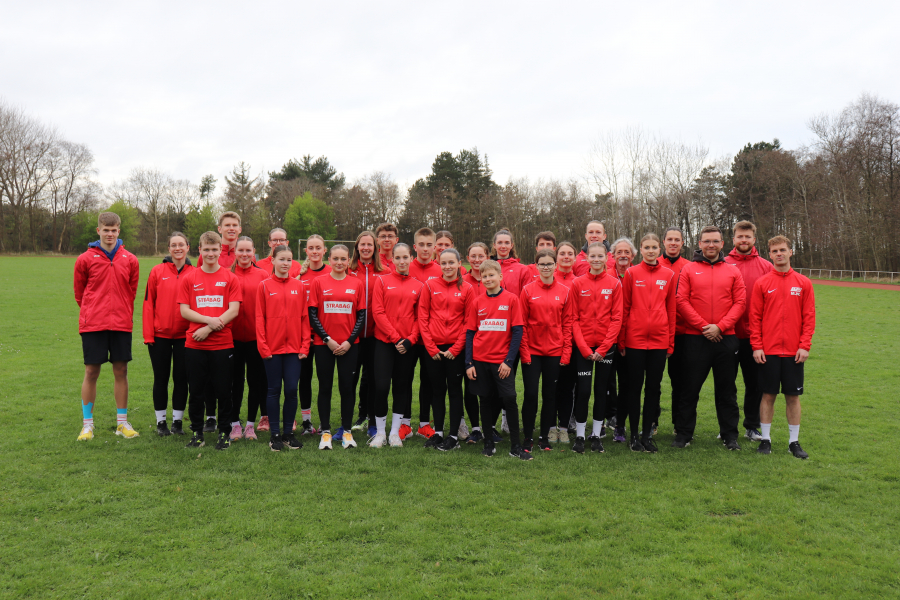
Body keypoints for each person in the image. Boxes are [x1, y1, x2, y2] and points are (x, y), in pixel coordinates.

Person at [674, 225, 746, 450]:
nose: (711, 245)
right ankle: (684, 434)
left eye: (715, 241)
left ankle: (729, 436)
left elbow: (740, 302)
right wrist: (704, 326)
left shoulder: (733, 270)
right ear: (700, 244)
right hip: (696, 338)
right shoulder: (689, 269)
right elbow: (681, 301)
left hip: (726, 339)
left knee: (727, 390)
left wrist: (721, 327)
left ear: (723, 244)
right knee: (689, 389)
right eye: (707, 241)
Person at [74, 212, 140, 441]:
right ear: (98, 231)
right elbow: (79, 293)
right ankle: (87, 425)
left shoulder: (130, 259)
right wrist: (94, 310)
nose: (110, 234)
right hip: (93, 324)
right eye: (106, 229)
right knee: (91, 372)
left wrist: (120, 311)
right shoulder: (84, 259)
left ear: (119, 231)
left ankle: (122, 423)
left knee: (121, 371)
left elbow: (131, 292)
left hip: (121, 323)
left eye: (114, 230)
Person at [749, 236, 815, 459]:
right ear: (769, 254)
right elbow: (755, 318)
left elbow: (809, 317)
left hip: (794, 352)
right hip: (768, 351)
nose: (779, 254)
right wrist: (757, 346)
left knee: (792, 397)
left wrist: (804, 346)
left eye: (782, 250)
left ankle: (793, 442)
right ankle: (765, 440)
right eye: (775, 251)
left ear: (790, 252)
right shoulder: (762, 283)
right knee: (767, 395)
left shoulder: (803, 283)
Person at [178, 231, 242, 450]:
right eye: (207, 249)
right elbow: (185, 311)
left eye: (215, 249)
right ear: (200, 251)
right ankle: (197, 433)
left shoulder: (230, 277)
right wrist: (207, 322)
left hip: (222, 344)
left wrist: (209, 328)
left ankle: (225, 433)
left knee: (224, 391)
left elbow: (233, 310)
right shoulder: (190, 278)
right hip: (194, 344)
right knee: (196, 391)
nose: (211, 253)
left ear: (220, 250)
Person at [465, 260, 531, 460]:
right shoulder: (477, 302)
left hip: (502, 362)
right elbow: (469, 333)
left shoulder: (512, 299)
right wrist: (469, 363)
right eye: (484, 276)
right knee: (485, 400)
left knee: (509, 399)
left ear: (500, 277)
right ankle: (488, 443)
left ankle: (516, 446)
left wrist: (509, 361)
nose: (487, 279)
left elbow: (517, 331)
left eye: (491, 275)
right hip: (480, 360)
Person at [618, 234, 676, 452]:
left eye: (654, 247)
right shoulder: (632, 273)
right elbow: (624, 308)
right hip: (635, 340)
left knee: (653, 389)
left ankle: (647, 435)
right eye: (646, 247)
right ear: (640, 250)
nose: (651, 251)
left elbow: (671, 309)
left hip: (659, 341)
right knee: (634, 388)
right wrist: (622, 339)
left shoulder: (668, 275)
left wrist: (670, 342)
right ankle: (633, 435)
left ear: (659, 248)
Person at [308, 244, 365, 450]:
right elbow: (313, 314)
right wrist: (327, 339)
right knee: (324, 388)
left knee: (347, 388)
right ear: (329, 260)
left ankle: (347, 431)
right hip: (324, 345)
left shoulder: (356, 283)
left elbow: (361, 315)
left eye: (343, 259)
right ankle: (325, 431)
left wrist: (349, 341)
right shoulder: (318, 282)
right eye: (335, 259)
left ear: (348, 260)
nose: (339, 263)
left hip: (350, 346)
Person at [419, 248, 475, 451]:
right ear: (439, 264)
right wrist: (430, 346)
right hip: (433, 349)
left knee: (454, 391)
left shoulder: (468, 289)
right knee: (437, 390)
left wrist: (457, 348)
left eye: (452, 262)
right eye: (444, 263)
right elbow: (423, 317)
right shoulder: (430, 285)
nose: (448, 266)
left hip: (455, 350)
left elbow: (469, 322)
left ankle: (453, 436)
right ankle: (439, 432)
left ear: (460, 263)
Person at [256, 245, 310, 452]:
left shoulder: (299, 285)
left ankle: (288, 433)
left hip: (294, 350)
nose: (285, 263)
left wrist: (305, 345)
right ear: (273, 261)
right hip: (272, 349)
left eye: (289, 260)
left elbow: (304, 318)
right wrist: (264, 346)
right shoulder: (264, 286)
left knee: (291, 390)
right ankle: (275, 435)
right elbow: (259, 318)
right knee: (273, 391)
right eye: (282, 259)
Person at [520, 249, 574, 453]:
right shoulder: (526, 291)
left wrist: (566, 352)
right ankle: (528, 437)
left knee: (550, 395)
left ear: (555, 265)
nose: (546, 267)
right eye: (542, 264)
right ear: (536, 266)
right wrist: (525, 353)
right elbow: (521, 324)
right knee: (531, 394)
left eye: (549, 263)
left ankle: (544, 438)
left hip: (554, 352)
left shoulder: (565, 291)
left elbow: (567, 324)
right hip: (532, 352)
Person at [570, 242, 622, 453]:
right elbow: (573, 319)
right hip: (583, 347)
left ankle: (597, 435)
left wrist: (604, 347)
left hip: (605, 347)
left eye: (601, 256)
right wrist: (583, 348)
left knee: (602, 391)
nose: (597, 259)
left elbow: (617, 318)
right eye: (593, 256)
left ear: (607, 257)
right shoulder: (577, 283)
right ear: (587, 258)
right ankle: (580, 435)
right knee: (583, 391)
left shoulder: (615, 284)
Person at [724, 220, 774, 442]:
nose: (743, 240)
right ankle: (727, 426)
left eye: (748, 237)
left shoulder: (766, 266)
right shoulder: (723, 263)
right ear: (733, 239)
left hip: (755, 337)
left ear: (754, 239)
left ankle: (752, 426)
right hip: (728, 334)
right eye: (739, 236)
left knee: (754, 384)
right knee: (726, 383)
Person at [371, 243, 424, 447]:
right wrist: (395, 338)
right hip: (385, 342)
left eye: (405, 257)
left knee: (402, 387)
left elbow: (421, 317)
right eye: (398, 258)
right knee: (382, 387)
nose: (402, 261)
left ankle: (395, 433)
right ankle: (380, 433)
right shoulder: (382, 281)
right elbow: (378, 312)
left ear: (411, 258)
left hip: (408, 346)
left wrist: (410, 339)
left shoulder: (419, 286)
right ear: (391, 259)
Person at [142, 231, 193, 436]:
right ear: (169, 248)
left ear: (188, 247)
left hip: (185, 336)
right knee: (160, 379)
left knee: (181, 379)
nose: (178, 248)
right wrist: (148, 335)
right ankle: (161, 423)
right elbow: (148, 304)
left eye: (181, 244)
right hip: (160, 336)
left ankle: (177, 423)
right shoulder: (157, 271)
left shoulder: (195, 272)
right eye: (174, 245)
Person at [228, 236, 270, 441]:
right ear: (234, 252)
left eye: (248, 251)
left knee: (256, 382)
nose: (244, 255)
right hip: (231, 338)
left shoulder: (263, 275)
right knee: (235, 382)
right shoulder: (227, 274)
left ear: (254, 252)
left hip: (256, 338)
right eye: (240, 251)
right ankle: (234, 423)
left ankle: (251, 425)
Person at [349, 231, 388, 437]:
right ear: (357, 247)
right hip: (352, 337)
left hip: (376, 336)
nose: (366, 248)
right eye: (362, 244)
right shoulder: (348, 271)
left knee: (373, 379)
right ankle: (357, 416)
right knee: (352, 379)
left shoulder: (385, 272)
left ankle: (373, 419)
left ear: (375, 248)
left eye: (369, 245)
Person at [294, 234, 332, 434]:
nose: (315, 251)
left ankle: (329, 422)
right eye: (311, 248)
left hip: (326, 338)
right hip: (304, 337)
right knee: (305, 379)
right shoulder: (299, 275)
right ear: (306, 251)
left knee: (326, 381)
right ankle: (306, 421)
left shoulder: (333, 272)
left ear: (325, 250)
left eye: (319, 247)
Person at [408, 227, 443, 439]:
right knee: (404, 380)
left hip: (431, 338)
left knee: (428, 381)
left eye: (429, 244)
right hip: (409, 336)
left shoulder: (441, 270)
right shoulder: (405, 267)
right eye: (421, 244)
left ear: (435, 247)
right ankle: (402, 424)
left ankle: (424, 423)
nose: (425, 248)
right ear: (415, 247)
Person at [660, 227, 690, 435]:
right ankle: (651, 422)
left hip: (682, 333)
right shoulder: (653, 264)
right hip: (657, 333)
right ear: (663, 242)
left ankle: (679, 425)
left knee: (680, 381)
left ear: (682, 243)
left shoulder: (689, 267)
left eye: (676, 240)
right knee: (653, 381)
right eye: (669, 239)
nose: (673, 243)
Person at [607, 237, 637, 443]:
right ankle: (607, 419)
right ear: (613, 255)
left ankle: (621, 425)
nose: (623, 255)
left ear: (633, 255)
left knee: (627, 384)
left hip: (630, 340)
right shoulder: (606, 276)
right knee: (606, 384)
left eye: (627, 252)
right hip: (607, 340)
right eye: (619, 252)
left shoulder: (637, 275)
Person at [462, 242, 489, 443]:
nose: (477, 260)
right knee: (470, 386)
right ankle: (476, 427)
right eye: (473, 256)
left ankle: (491, 426)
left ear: (487, 256)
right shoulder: (461, 281)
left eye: (481, 256)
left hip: (491, 342)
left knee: (490, 388)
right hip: (468, 339)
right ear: (468, 258)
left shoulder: (494, 279)